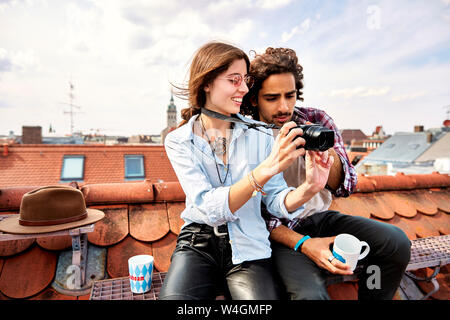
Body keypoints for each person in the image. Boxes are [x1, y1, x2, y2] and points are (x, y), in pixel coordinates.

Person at [158, 42, 334, 300]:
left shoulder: (259, 134)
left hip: (249, 243)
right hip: (198, 243)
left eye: (246, 80)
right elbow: (208, 207)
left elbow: (275, 201)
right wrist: (265, 170)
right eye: (234, 80)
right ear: (207, 83)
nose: (244, 88)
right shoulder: (180, 140)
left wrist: (310, 188)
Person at [240, 47, 411, 300]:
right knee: (311, 296)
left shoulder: (315, 119)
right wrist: (304, 244)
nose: (284, 106)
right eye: (272, 98)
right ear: (254, 99)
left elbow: (347, 186)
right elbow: (250, 215)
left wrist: (324, 154)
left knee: (396, 243)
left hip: (320, 218)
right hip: (280, 234)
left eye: (290, 95)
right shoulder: (246, 135)